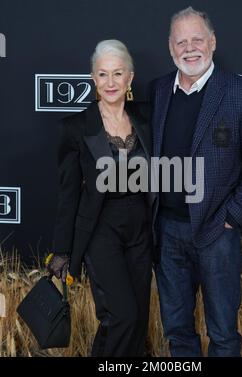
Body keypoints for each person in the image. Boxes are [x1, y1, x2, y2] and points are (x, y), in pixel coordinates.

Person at [150, 7, 242, 357]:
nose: (190, 48)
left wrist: (232, 216)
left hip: (216, 232)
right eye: (181, 41)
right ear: (171, 47)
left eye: (197, 39)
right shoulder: (159, 89)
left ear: (213, 42)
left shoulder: (239, 92)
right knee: (177, 330)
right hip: (168, 232)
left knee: (222, 333)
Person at [47, 40, 153, 357]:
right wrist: (62, 249)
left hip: (141, 227)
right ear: (93, 78)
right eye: (103, 74)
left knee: (139, 319)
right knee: (121, 316)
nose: (110, 83)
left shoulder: (147, 118)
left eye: (117, 74)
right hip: (99, 228)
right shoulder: (76, 127)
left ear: (129, 78)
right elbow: (68, 193)